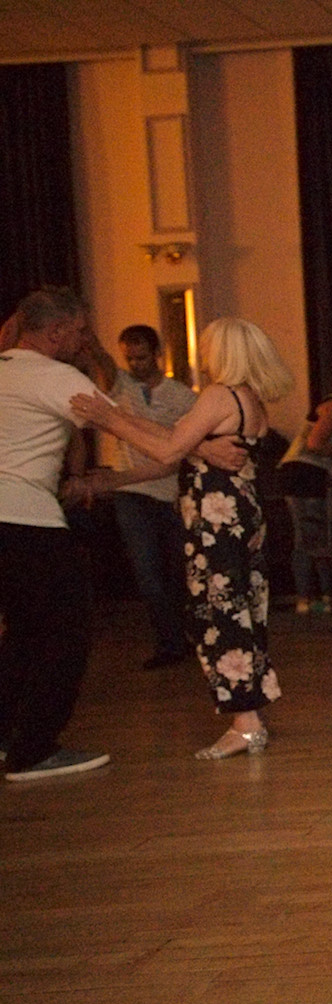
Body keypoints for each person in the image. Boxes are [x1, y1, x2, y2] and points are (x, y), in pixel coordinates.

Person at [73, 317, 291, 761]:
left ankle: (245, 724)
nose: (202, 354)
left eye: (207, 346)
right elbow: (180, 441)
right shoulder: (247, 397)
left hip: (216, 517)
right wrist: (120, 425)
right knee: (240, 610)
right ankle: (251, 715)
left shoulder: (219, 395)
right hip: (238, 513)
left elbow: (169, 450)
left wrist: (108, 418)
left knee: (220, 613)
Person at [0, 288, 111, 782]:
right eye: (80, 331)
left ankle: (7, 737)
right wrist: (198, 447)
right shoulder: (54, 376)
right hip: (27, 519)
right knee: (66, 631)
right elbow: (120, 419)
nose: (85, 340)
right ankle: (35, 749)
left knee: (23, 632)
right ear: (55, 331)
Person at [101, 324, 196, 668]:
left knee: (176, 571)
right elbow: (100, 360)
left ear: (157, 354)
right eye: (130, 358)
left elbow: (182, 451)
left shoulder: (181, 396)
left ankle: (181, 637)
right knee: (147, 573)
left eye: (141, 357)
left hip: (169, 491)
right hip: (131, 492)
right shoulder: (121, 385)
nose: (136, 365)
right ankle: (169, 642)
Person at [278, 388, 332, 614]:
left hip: (305, 476)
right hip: (306, 475)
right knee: (311, 538)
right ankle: (313, 596)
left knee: (313, 537)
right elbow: (315, 442)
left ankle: (316, 596)